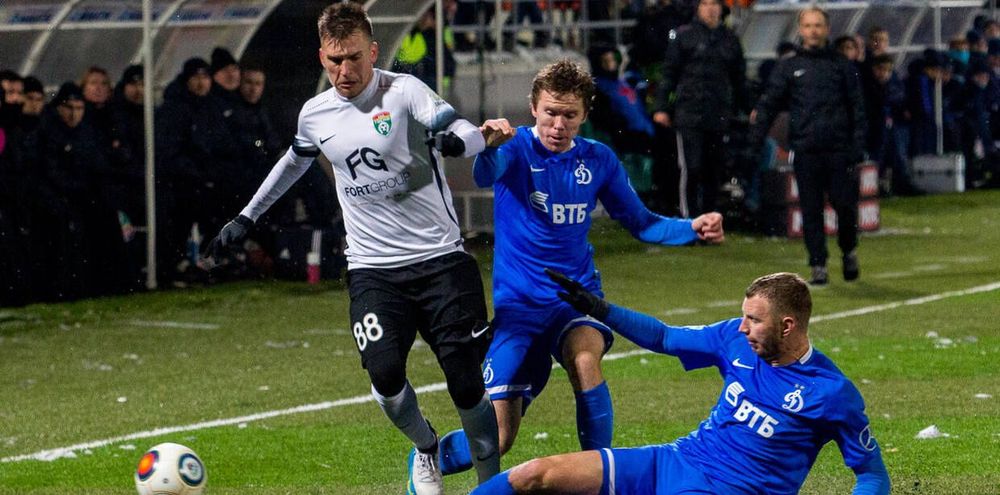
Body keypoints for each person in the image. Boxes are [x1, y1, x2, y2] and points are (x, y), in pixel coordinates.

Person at [204, 4, 506, 494]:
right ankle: (426, 446)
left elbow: (462, 129)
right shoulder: (315, 113)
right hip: (373, 270)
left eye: (353, 58)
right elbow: (294, 162)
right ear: (322, 56)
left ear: (373, 51)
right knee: (385, 378)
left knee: (467, 383)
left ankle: (492, 486)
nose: (344, 71)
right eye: (334, 60)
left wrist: (459, 144)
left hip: (441, 261)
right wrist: (247, 216)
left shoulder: (404, 91)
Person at [433, 60, 724, 480]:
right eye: (550, 113)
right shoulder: (515, 148)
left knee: (586, 360)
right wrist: (490, 146)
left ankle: (599, 479)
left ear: (585, 113)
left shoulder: (598, 160)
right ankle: (429, 457)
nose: (558, 125)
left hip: (575, 298)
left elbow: (641, 223)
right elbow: (484, 174)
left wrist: (691, 228)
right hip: (520, 308)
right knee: (498, 437)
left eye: (569, 115)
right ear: (534, 108)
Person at [471, 271, 891, 495]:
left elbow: (872, 476)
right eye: (743, 316)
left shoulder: (830, 393)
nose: (742, 327)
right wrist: (599, 308)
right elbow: (665, 338)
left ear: (787, 325)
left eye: (754, 320)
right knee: (535, 474)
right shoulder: (733, 339)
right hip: (673, 461)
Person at [750, 7, 866, 286]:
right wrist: (755, 140)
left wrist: (857, 145)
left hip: (838, 149)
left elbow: (858, 108)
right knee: (811, 209)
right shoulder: (789, 66)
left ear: (827, 29)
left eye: (818, 25)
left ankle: (848, 249)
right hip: (806, 150)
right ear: (800, 30)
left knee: (845, 206)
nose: (813, 31)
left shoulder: (841, 65)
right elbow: (769, 103)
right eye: (808, 26)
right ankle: (818, 264)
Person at [653, 0, 748, 218]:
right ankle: (690, 220)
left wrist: (749, 107)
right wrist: (662, 107)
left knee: (713, 170)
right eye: (705, 3)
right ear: (698, 7)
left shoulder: (730, 39)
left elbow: (739, 79)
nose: (710, 8)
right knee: (691, 168)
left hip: (718, 113)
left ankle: (709, 218)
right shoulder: (683, 36)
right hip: (689, 113)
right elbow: (669, 74)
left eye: (714, 3)